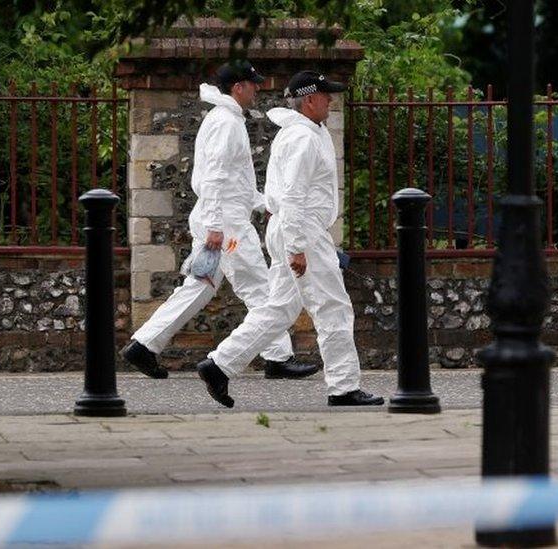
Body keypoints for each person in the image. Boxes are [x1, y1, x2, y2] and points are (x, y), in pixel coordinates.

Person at [195, 70, 384, 408]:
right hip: (303, 230)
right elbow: (294, 195)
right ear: (309, 100)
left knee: (279, 308)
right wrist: (297, 246)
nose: (330, 101)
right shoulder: (303, 138)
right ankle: (343, 387)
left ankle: (219, 364)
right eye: (326, 95)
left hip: (295, 228)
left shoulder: (306, 132)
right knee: (333, 308)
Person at [121, 60, 317, 381]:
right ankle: (277, 357)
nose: (256, 89)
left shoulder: (225, 119)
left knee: (199, 286)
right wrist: (216, 227)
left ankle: (144, 345)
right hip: (228, 228)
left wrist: (262, 203)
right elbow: (214, 177)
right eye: (252, 84)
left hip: (221, 220)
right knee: (259, 286)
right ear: (237, 87)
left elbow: (233, 182)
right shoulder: (226, 123)